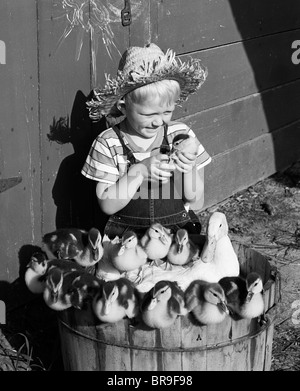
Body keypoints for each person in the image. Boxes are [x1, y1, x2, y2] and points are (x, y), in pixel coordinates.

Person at [81, 43, 211, 239]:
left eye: (167, 112)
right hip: (128, 240)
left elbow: (196, 199)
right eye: (148, 114)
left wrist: (188, 168)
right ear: (123, 107)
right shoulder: (108, 143)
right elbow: (107, 205)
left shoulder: (180, 135)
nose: (159, 121)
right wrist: (139, 171)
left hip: (174, 235)